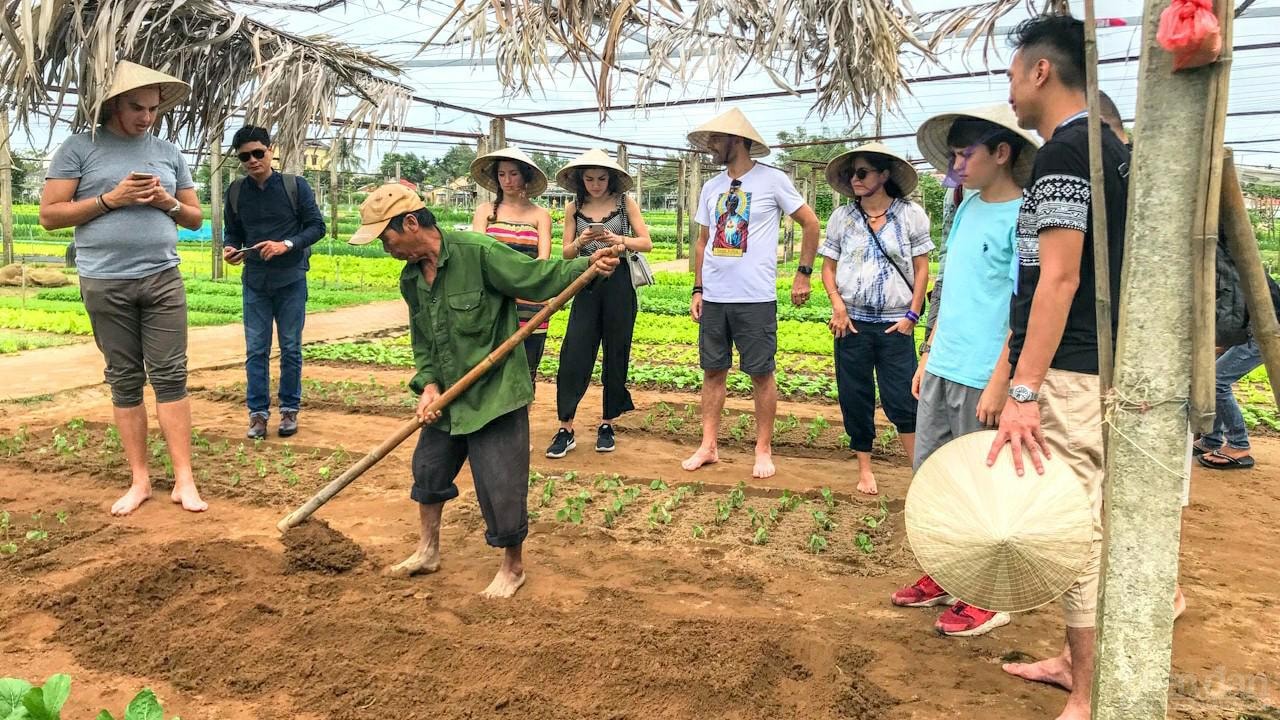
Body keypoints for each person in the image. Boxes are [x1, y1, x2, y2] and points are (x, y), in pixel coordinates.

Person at [349, 184, 620, 598]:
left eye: (386, 238)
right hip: (449, 395)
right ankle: (428, 549)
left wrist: (587, 266)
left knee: (500, 483)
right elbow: (423, 340)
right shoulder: (411, 280)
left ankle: (512, 568)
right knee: (428, 469)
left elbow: (536, 277)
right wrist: (429, 385)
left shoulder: (479, 252)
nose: (386, 249)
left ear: (409, 223)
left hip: (495, 393)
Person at [987, 16, 1131, 720]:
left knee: (1073, 525)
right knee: (1085, 518)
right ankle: (1073, 664)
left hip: (1071, 370)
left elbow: (1059, 278)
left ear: (1042, 72)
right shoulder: (1111, 147)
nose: (1010, 92)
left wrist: (1022, 388)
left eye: (1013, 75)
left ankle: (1085, 693)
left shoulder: (1066, 154)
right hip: (1095, 364)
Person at [891, 105, 1039, 636]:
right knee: (935, 478)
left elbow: (1026, 306)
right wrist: (929, 351)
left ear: (1002, 153)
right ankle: (944, 571)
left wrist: (1003, 379)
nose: (956, 164)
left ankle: (988, 594)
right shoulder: (967, 207)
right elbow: (948, 288)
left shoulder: (1024, 216)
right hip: (945, 364)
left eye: (965, 153)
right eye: (953, 154)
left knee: (983, 484)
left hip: (983, 374)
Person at [39, 61, 207, 516]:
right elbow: (50, 215)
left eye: (153, 109)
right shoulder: (79, 148)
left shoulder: (169, 152)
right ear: (115, 103)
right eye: (137, 107)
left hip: (162, 276)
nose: (146, 117)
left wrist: (165, 200)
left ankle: (184, 481)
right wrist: (112, 199)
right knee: (125, 379)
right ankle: (139, 480)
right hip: (105, 279)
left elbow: (195, 218)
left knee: (171, 376)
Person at [681, 108, 821, 479]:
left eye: (716, 139)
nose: (711, 146)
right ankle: (708, 445)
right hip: (715, 297)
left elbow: (810, 223)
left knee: (761, 372)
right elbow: (702, 242)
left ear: (737, 141)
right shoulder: (711, 188)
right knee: (713, 371)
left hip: (755, 297)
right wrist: (698, 287)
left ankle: (763, 449)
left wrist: (803, 274)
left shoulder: (772, 181)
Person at [820, 143, 932, 496]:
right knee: (856, 396)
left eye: (863, 172)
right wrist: (837, 305)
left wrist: (912, 315)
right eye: (852, 173)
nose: (855, 178)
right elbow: (829, 267)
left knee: (903, 398)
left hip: (895, 322)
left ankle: (921, 475)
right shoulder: (843, 217)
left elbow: (922, 268)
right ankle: (865, 470)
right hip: (851, 323)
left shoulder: (910, 215)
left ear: (884, 176)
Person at [221, 125, 326, 439]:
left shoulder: (296, 186)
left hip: (291, 279)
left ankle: (289, 411)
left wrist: (287, 245)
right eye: (244, 157)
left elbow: (317, 228)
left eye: (258, 153)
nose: (252, 161)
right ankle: (258, 415)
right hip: (255, 281)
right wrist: (230, 249)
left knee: (291, 348)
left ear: (270, 151)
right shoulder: (237, 192)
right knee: (256, 350)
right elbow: (233, 231)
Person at [546, 149, 653, 457]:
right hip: (586, 281)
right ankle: (565, 426)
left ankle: (607, 423)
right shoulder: (573, 208)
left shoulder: (624, 203)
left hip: (619, 283)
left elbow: (646, 242)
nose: (595, 185)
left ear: (611, 179)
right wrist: (580, 243)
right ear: (581, 180)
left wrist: (619, 240)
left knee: (616, 351)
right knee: (575, 351)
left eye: (602, 179)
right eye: (589, 179)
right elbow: (566, 253)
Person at [470, 147, 554, 385]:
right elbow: (477, 255)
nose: (507, 180)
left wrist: (525, 284)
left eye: (513, 174)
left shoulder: (540, 215)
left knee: (526, 370)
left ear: (525, 176)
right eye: (502, 174)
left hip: (529, 301)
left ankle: (522, 421)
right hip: (493, 299)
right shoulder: (485, 212)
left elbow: (542, 260)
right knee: (490, 367)